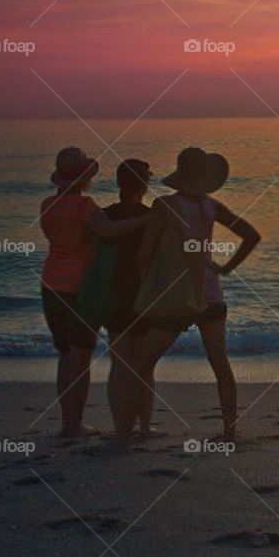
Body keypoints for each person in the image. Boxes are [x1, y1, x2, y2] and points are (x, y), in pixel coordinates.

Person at [125, 147, 260, 444]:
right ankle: (229, 431)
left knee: (142, 363)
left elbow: (145, 252)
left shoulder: (165, 205)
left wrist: (146, 283)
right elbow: (252, 236)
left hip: (176, 295)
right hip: (211, 293)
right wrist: (225, 269)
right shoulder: (212, 207)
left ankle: (135, 428)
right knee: (220, 364)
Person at [39, 147, 148, 438]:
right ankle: (74, 425)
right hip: (78, 288)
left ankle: (67, 422)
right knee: (80, 357)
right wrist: (145, 220)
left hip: (50, 285)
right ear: (85, 178)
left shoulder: (47, 204)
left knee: (65, 355)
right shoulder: (85, 207)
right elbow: (110, 231)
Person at [102, 159, 157, 439]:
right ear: (144, 185)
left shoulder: (106, 215)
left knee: (119, 364)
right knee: (144, 365)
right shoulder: (151, 217)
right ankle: (144, 426)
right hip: (144, 294)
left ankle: (120, 426)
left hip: (114, 295)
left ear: (119, 184)